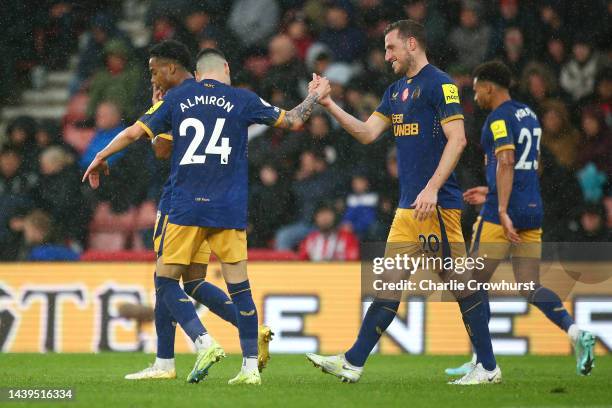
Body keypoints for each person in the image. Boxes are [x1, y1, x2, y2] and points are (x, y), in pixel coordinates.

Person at [83, 46, 331, 385]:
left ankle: (201, 342)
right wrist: (314, 96)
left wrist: (101, 155)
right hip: (228, 208)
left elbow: (135, 135)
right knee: (240, 289)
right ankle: (248, 369)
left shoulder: (180, 98)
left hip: (186, 205)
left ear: (197, 74)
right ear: (226, 67)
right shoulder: (242, 99)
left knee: (166, 281)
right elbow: (293, 120)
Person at [306, 19, 499, 385]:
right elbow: (366, 133)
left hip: (436, 205)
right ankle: (353, 360)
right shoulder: (395, 92)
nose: (386, 55)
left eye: (391, 48)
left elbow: (457, 140)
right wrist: (328, 103)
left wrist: (431, 189)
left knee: (461, 283)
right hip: (409, 209)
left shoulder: (441, 84)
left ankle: (488, 366)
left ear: (412, 44)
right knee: (389, 284)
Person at [448, 61, 596, 377]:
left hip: (502, 216)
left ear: (488, 86)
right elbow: (532, 166)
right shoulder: (528, 114)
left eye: (476, 90)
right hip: (531, 209)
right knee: (530, 285)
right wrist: (493, 192)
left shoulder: (497, 119)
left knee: (469, 283)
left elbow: (506, 161)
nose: (475, 97)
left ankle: (483, 363)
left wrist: (499, 208)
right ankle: (575, 332)